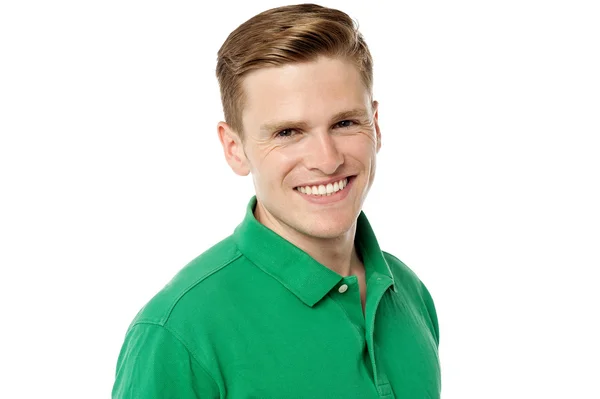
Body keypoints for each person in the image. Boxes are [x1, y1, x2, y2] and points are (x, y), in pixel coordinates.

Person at [112, 4, 441, 398]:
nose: (327, 159)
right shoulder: (179, 333)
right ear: (234, 148)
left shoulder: (409, 293)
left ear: (376, 125)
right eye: (288, 132)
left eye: (345, 123)